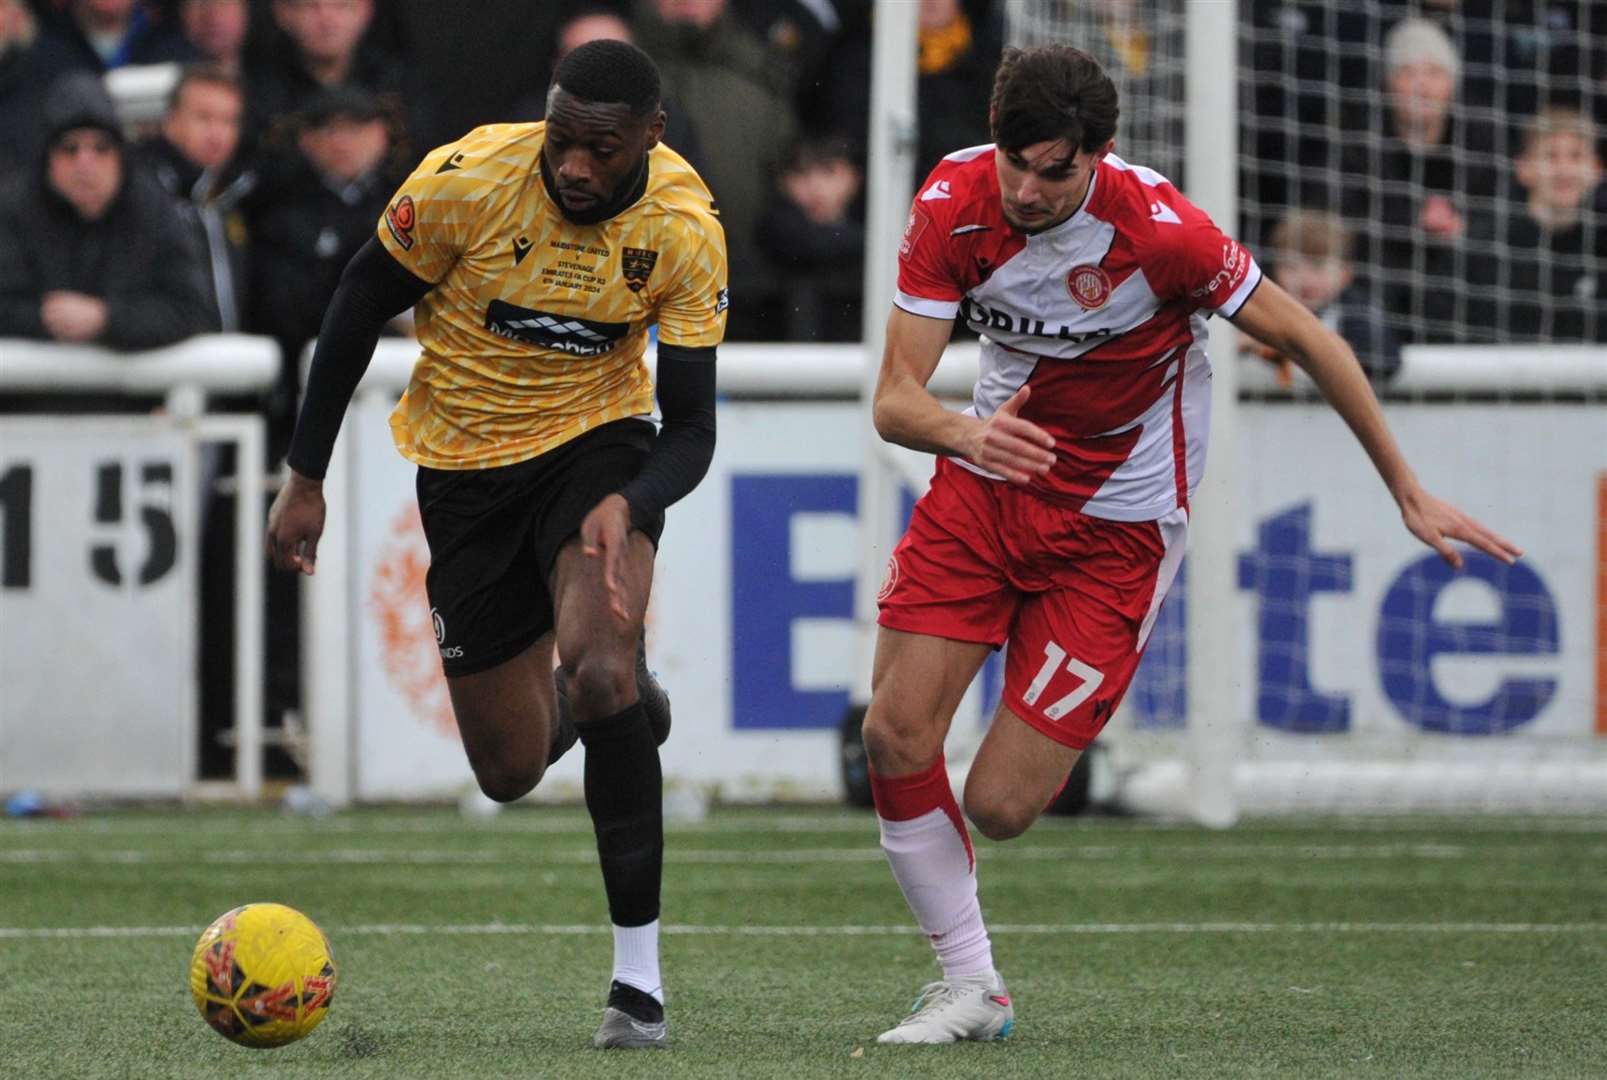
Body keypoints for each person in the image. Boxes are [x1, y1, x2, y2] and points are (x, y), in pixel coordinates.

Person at [861, 45, 1521, 1046]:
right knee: (891, 734)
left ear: (1099, 155)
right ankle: (971, 988)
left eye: (1055, 171)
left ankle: (973, 975)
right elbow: (896, 400)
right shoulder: (952, 199)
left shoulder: (1161, 232)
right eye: (1015, 164)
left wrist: (1404, 486)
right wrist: (968, 433)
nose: (1028, 191)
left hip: (1114, 535)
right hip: (985, 490)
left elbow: (1310, 337)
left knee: (998, 804)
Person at [263, 39, 726, 1050]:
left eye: (599, 150)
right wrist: (305, 475)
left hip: (596, 453)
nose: (572, 166)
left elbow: (691, 427)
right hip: (465, 479)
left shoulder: (684, 230)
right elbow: (352, 307)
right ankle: (601, 701)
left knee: (601, 659)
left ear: (648, 136)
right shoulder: (464, 182)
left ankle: (637, 986)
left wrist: (634, 497)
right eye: (562, 141)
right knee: (507, 771)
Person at [0, 71, 210, 351]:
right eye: (70, 148)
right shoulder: (13, 210)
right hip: (28, 391)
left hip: (135, 393)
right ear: (47, 158)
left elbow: (190, 308)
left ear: (120, 155)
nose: (85, 164)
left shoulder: (153, 208)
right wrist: (49, 318)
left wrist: (106, 318)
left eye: (101, 148)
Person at [1467, 108, 1605, 343]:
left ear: (1595, 170)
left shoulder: (1600, 247)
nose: (1564, 170)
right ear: (1524, 169)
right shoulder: (1485, 247)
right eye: (1551, 156)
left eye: (1576, 156)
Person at [136, 63, 253, 332]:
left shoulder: (240, 194)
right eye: (204, 118)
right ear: (170, 120)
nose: (217, 133)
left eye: (229, 121)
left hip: (234, 363)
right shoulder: (141, 192)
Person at [1252, 208, 1399, 381]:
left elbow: (1386, 360)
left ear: (1345, 274)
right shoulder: (1264, 305)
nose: (1304, 279)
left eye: (1317, 266)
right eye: (1290, 266)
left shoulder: (1357, 308)